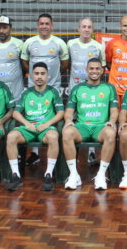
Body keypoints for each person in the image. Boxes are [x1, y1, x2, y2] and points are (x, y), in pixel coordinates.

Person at [6, 62, 64, 192]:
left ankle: (48, 174)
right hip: (29, 128)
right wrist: (26, 123)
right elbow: (15, 112)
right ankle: (15, 175)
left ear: (47, 75)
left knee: (54, 137)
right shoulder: (26, 93)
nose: (39, 76)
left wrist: (47, 124)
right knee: (11, 136)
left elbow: (61, 112)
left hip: (46, 128)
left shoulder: (53, 91)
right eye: (36, 73)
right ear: (32, 75)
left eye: (42, 74)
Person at [61, 58, 119, 190]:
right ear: (86, 70)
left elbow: (114, 110)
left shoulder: (109, 88)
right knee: (67, 132)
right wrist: (69, 121)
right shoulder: (77, 88)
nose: (94, 71)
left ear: (102, 71)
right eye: (91, 68)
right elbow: (69, 111)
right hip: (82, 127)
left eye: (97, 68)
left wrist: (111, 122)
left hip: (101, 127)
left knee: (111, 133)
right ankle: (74, 175)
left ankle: (101, 175)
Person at [21, 13, 69, 166]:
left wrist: (52, 78)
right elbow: (24, 62)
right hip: (33, 87)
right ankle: (34, 153)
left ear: (52, 25)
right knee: (34, 116)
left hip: (53, 87)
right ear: (37, 25)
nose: (44, 26)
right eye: (41, 23)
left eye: (47, 23)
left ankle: (53, 154)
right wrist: (34, 77)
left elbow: (65, 63)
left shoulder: (59, 43)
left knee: (51, 119)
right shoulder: (29, 42)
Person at [67, 17, 107, 166]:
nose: (86, 29)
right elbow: (66, 63)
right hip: (75, 88)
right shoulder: (70, 44)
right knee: (76, 121)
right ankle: (73, 156)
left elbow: (101, 67)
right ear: (78, 28)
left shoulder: (98, 46)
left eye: (89, 27)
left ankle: (91, 152)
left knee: (92, 119)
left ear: (92, 29)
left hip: (94, 90)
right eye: (83, 26)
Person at [0, 16, 26, 99]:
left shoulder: (19, 44)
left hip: (15, 92)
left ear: (10, 28)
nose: (1, 31)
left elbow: (24, 66)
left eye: (5, 28)